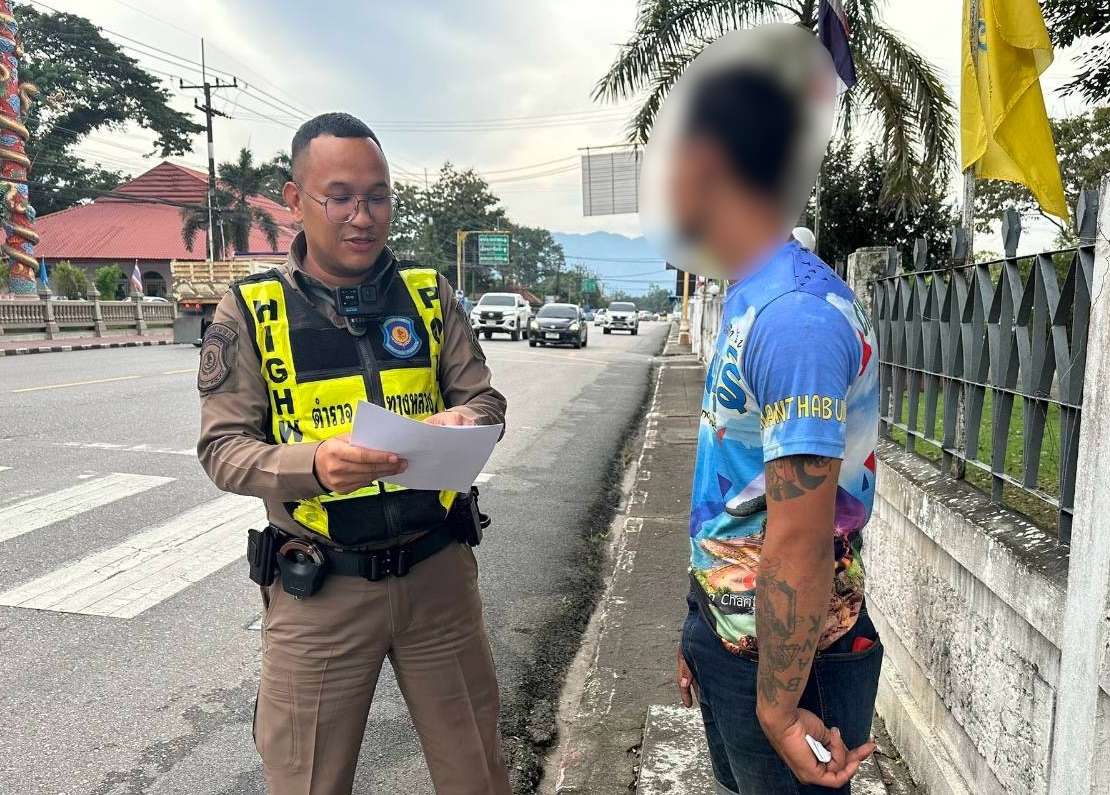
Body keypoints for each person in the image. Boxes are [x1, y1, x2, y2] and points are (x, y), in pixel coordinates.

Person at [196, 112, 511, 795]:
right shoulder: (250, 310)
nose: (362, 217)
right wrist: (313, 466)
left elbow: (486, 400)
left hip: (439, 579)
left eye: (377, 197)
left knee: (479, 774)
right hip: (321, 590)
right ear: (295, 199)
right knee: (306, 781)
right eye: (339, 197)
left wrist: (466, 417)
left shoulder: (430, 296)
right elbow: (222, 449)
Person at [665, 50, 882, 795]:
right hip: (736, 636)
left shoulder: (794, 319)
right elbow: (724, 486)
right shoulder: (750, 295)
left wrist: (780, 708)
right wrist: (701, 624)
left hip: (791, 661)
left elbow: (800, 536)